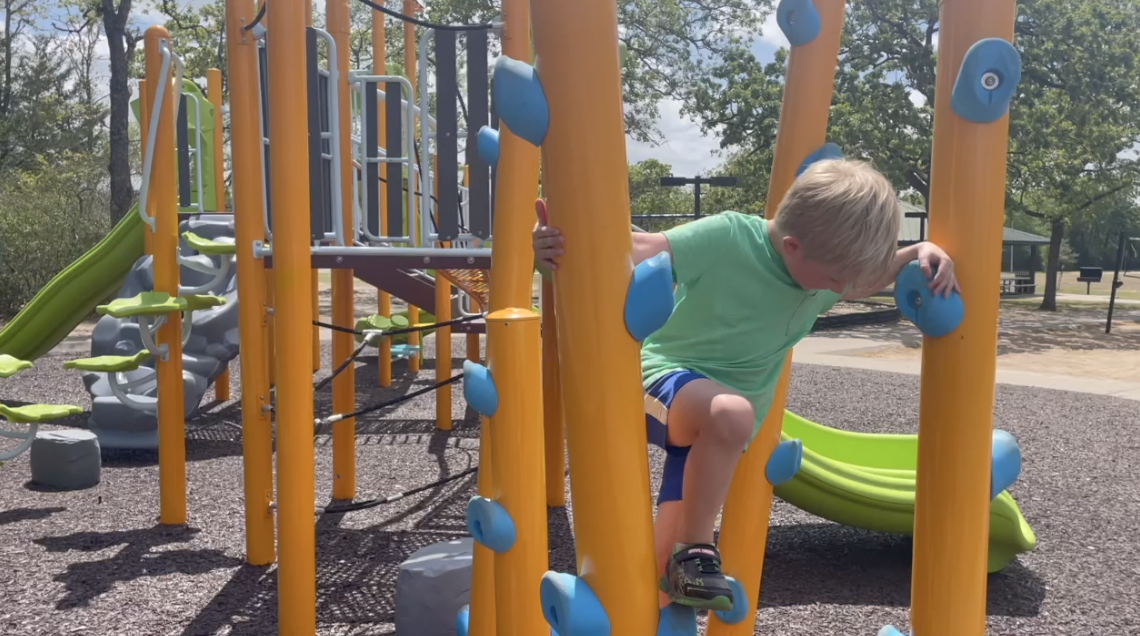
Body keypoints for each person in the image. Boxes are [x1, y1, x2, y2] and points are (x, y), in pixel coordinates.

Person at [532, 159, 960, 612]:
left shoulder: (821, 269)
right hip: (662, 379)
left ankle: (668, 576)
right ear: (793, 246)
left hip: (715, 435)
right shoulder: (731, 236)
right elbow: (640, 249)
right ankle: (696, 552)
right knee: (731, 416)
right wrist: (558, 247)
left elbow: (865, 278)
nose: (845, 291)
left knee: (654, 585)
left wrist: (921, 251)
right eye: (837, 281)